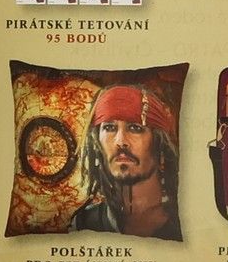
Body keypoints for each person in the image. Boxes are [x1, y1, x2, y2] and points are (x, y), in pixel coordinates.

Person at [70, 83, 181, 239]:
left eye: (135, 128)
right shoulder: (85, 223)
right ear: (97, 142)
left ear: (159, 143)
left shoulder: (183, 219)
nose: (120, 141)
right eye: (109, 128)